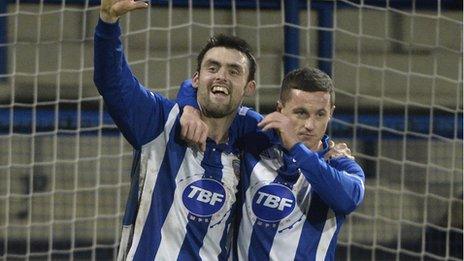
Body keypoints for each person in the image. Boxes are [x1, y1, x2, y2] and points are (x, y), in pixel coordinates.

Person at [93, 0, 259, 260]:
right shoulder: (161, 122)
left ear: (249, 87)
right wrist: (108, 23)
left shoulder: (251, 144)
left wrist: (329, 148)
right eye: (212, 68)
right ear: (196, 79)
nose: (221, 77)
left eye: (233, 71)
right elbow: (112, 82)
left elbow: (295, 133)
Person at [180, 67, 365, 260]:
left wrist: (296, 146)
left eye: (320, 115)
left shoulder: (340, 165)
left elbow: (348, 199)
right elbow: (193, 86)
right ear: (280, 109)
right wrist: (190, 110)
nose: (310, 125)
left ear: (331, 113)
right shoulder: (257, 135)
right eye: (301, 113)